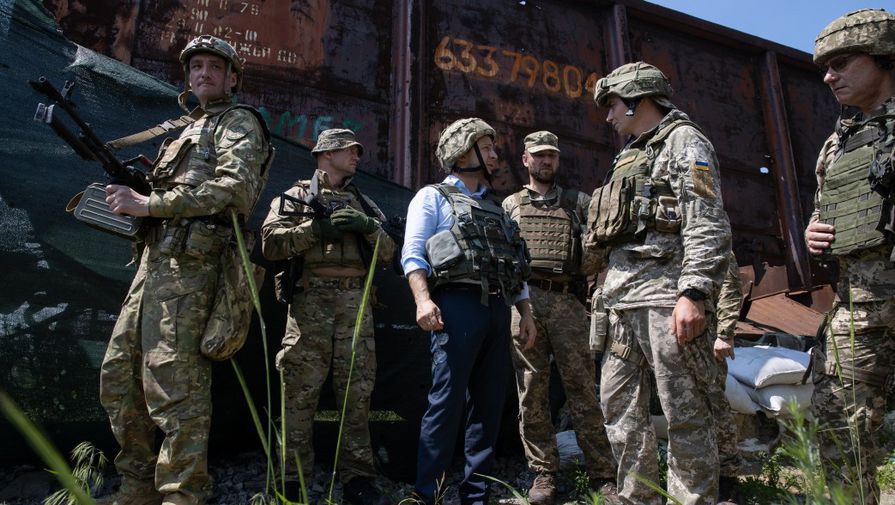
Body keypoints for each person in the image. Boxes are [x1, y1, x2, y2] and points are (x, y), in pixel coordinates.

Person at [98, 35, 272, 505]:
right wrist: (140, 200)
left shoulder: (238, 122)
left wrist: (150, 204)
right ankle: (137, 486)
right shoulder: (186, 129)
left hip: (192, 272)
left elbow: (235, 189)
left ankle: (183, 493)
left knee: (176, 386)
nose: (203, 73)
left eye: (215, 66)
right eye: (196, 66)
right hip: (153, 265)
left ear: (232, 78)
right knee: (120, 378)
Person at [585, 62, 731, 505]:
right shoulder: (629, 155)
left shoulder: (686, 142)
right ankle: (637, 496)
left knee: (683, 410)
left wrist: (694, 292)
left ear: (636, 100)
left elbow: (707, 220)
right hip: (621, 301)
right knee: (618, 409)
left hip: (666, 298)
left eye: (613, 105)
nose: (608, 116)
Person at [401, 117, 537, 505]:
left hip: (497, 309)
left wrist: (525, 312)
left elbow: (514, 263)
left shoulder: (496, 207)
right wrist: (422, 300)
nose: (495, 155)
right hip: (456, 307)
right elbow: (413, 253)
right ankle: (427, 493)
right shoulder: (432, 198)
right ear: (463, 153)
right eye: (487, 147)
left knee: (489, 405)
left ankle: (476, 495)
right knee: (445, 403)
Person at [260, 128, 395, 505]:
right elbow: (270, 244)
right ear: (326, 154)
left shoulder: (364, 203)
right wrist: (315, 228)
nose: (356, 157)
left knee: (357, 393)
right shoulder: (296, 196)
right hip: (310, 304)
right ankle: (291, 479)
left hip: (356, 304)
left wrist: (368, 228)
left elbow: (389, 254)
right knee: (298, 394)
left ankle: (358, 478)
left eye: (357, 151)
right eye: (348, 150)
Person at [804, 9, 895, 504]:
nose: (828, 76)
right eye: (826, 66)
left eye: (841, 63)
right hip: (859, 306)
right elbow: (824, 209)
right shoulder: (837, 143)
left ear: (883, 58)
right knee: (839, 429)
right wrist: (813, 231)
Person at [501, 131, 617, 505]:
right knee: (531, 391)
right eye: (539, 155)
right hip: (525, 302)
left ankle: (603, 475)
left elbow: (602, 244)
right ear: (526, 160)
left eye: (551, 155)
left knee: (583, 389)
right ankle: (543, 474)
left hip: (568, 301)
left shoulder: (577, 202)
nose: (546, 161)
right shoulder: (511, 205)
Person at [711, 252, 744, 504]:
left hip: (704, 337)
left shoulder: (710, 235)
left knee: (714, 405)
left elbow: (730, 284)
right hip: (664, 335)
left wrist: (725, 333)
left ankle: (728, 478)